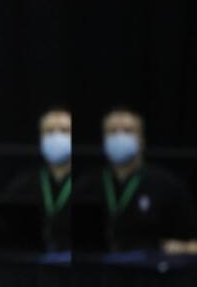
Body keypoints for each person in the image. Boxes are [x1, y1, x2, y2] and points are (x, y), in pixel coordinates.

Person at [74, 107, 197, 251]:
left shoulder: (167, 185)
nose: (120, 137)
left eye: (128, 131)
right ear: (104, 141)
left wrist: (182, 248)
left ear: (142, 140)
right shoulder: (87, 186)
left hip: (151, 270)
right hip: (99, 270)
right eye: (112, 132)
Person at [0, 106, 72, 251]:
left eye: (64, 131)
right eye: (49, 132)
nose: (57, 137)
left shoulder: (88, 185)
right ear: (40, 138)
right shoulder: (22, 186)